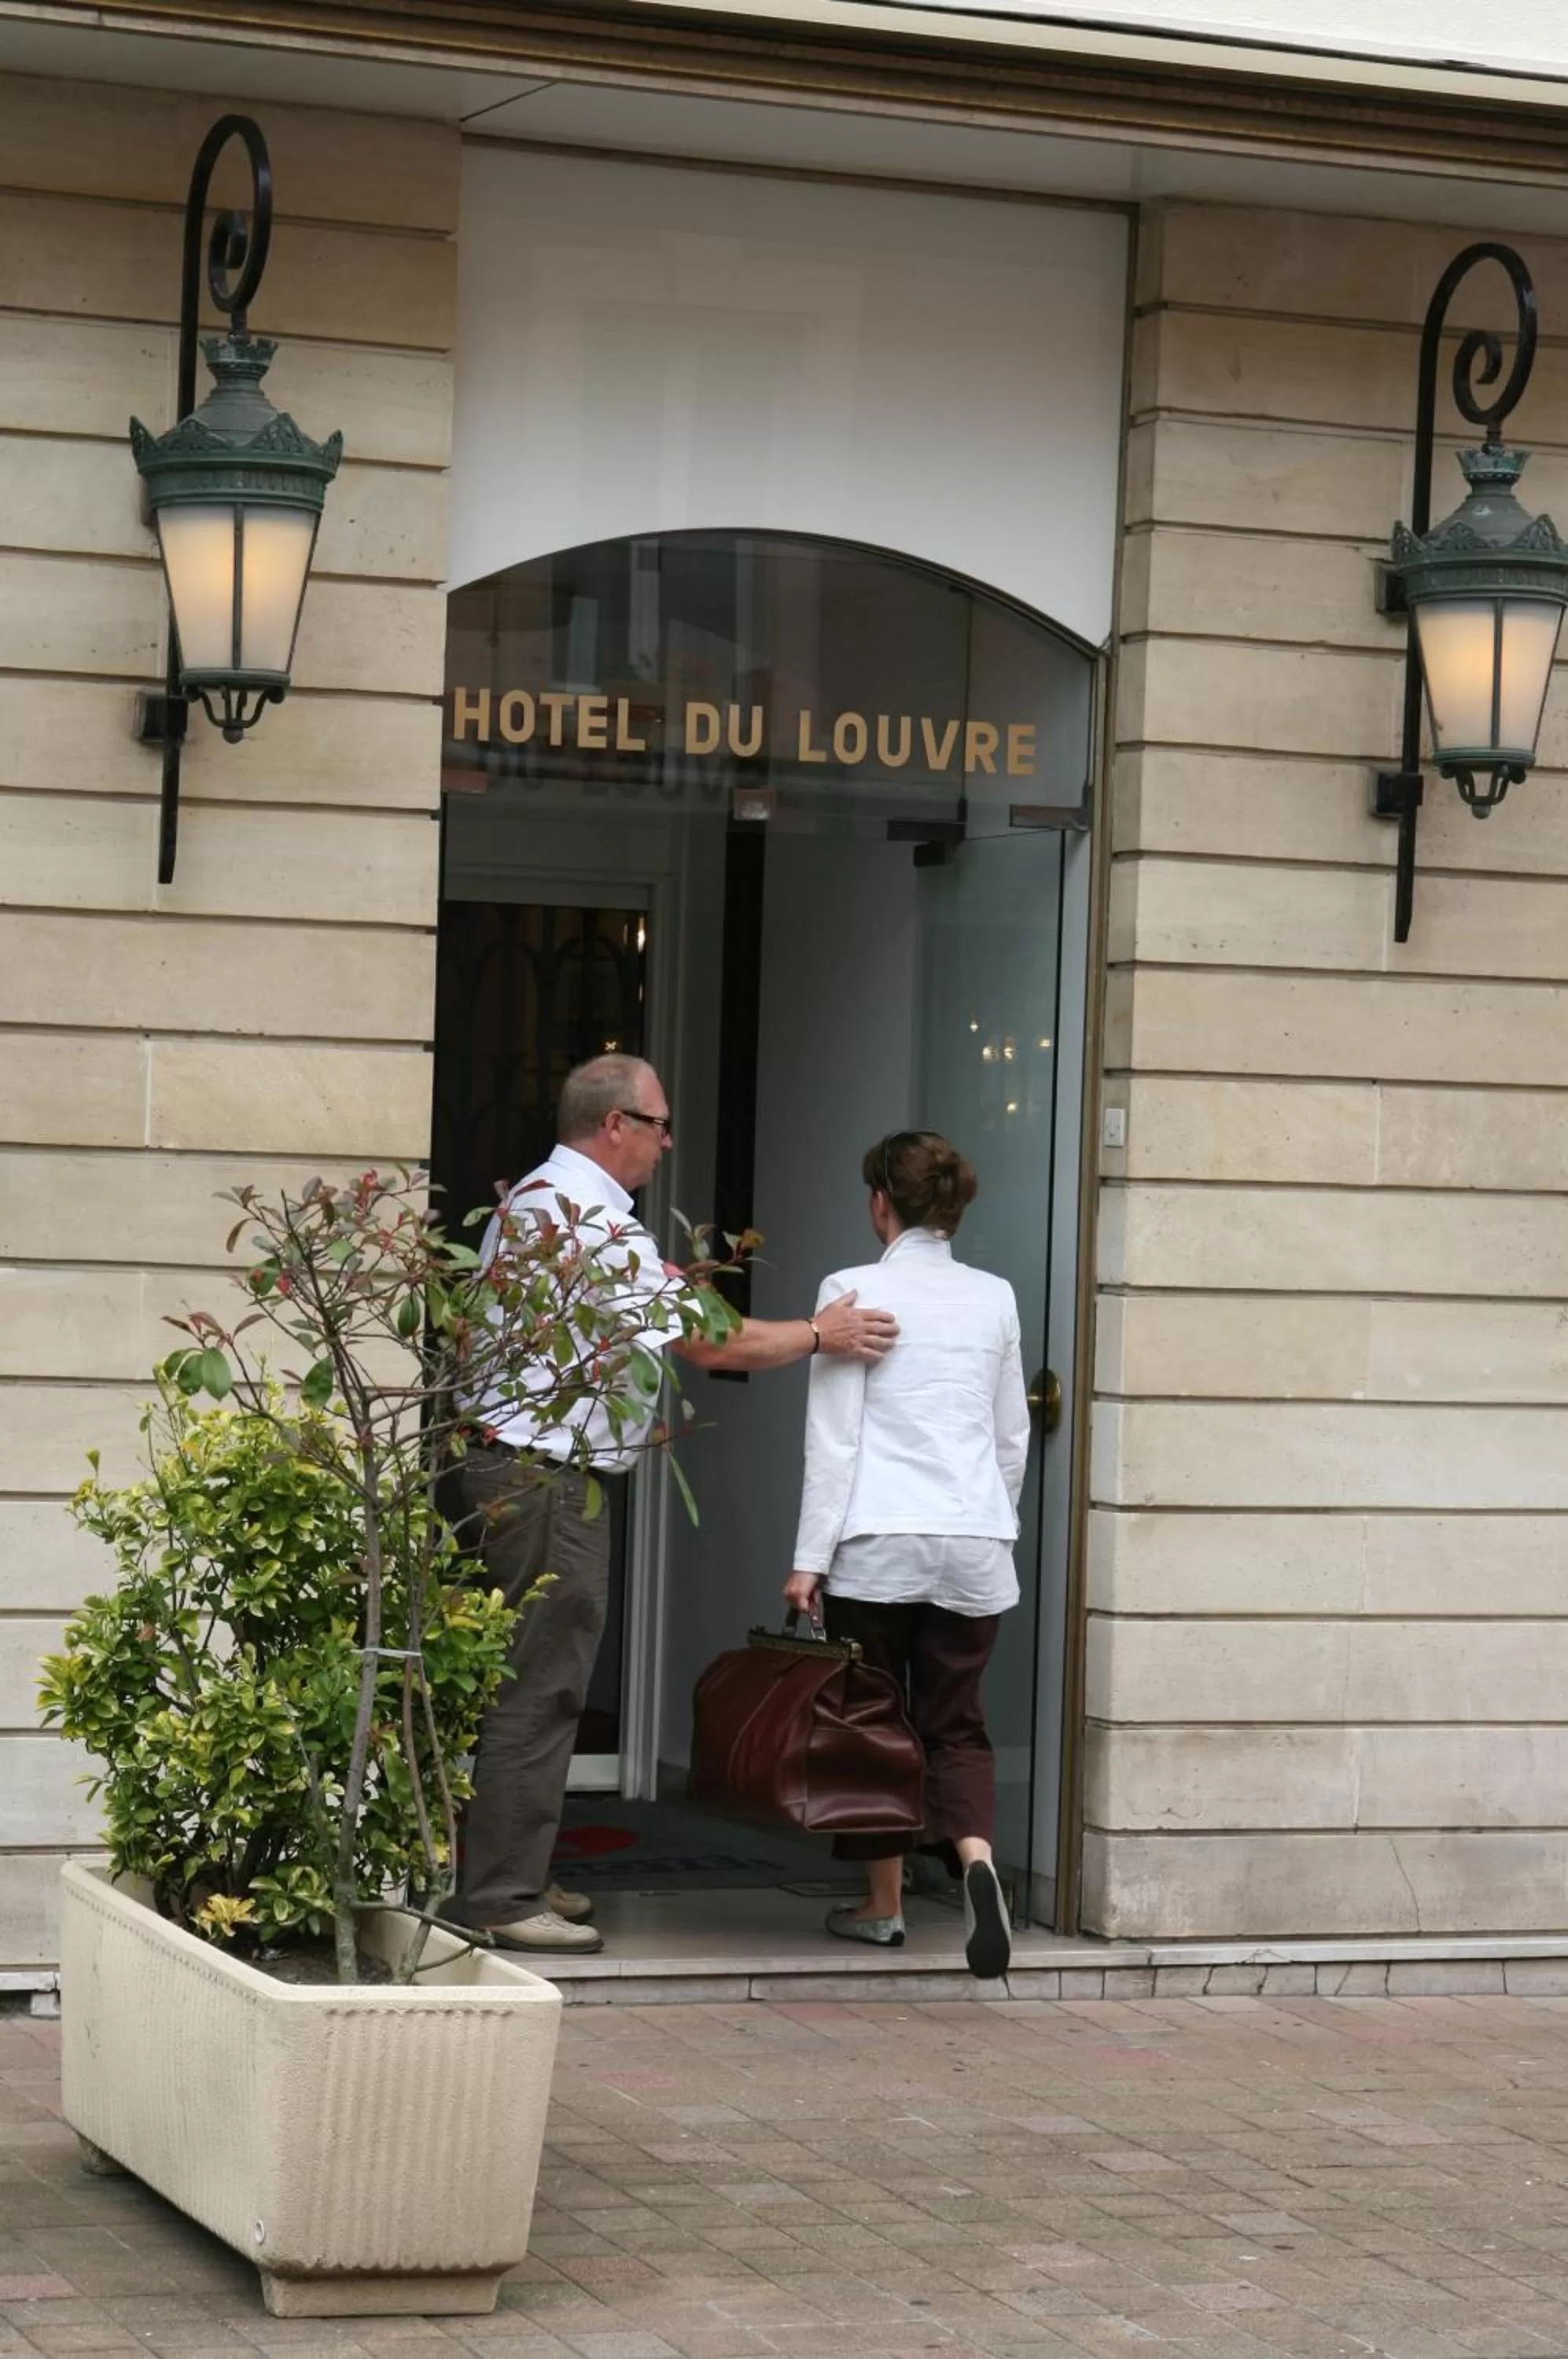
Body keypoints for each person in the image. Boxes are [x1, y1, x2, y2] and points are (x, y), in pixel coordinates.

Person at [444, 1053, 898, 1956]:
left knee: (528, 1678)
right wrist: (822, 1333)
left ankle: (516, 1870)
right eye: (657, 1123)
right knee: (543, 1685)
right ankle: (499, 1894)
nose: (667, 1141)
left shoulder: (545, 1201)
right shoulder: (586, 1219)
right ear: (614, 1125)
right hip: (540, 1479)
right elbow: (703, 1340)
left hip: (515, 1469)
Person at [783, 1130, 1029, 1981]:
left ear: (880, 1203)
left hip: (878, 1541)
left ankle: (882, 1908)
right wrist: (990, 1520)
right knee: (956, 1722)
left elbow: (835, 1440)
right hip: (973, 1539)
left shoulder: (850, 1290)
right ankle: (975, 1862)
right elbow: (1010, 1436)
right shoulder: (994, 1296)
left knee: (873, 1722)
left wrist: (808, 1558)